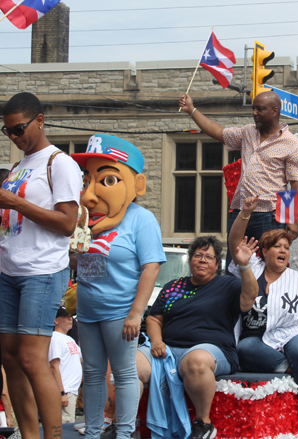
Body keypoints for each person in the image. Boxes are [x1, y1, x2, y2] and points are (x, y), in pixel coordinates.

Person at [71, 134, 166, 439]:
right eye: (88, 179)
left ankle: (124, 433)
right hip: (87, 311)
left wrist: (136, 313)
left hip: (120, 313)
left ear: (135, 184)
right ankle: (94, 430)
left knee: (124, 374)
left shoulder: (142, 219)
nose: (91, 190)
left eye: (107, 180)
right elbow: (79, 264)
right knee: (94, 373)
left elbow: (151, 266)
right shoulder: (86, 220)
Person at [0, 92, 82, 439]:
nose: (15, 137)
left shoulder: (59, 163)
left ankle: (53, 435)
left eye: (19, 129)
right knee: (9, 357)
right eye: (8, 132)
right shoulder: (19, 166)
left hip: (41, 271)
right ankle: (28, 434)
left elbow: (67, 223)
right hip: (8, 270)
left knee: (33, 358)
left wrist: (15, 202)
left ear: (40, 120)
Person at [228, 195, 298, 439]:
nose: (283, 251)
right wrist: (245, 213)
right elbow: (235, 243)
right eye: (277, 246)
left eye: (286, 248)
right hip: (259, 341)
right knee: (245, 348)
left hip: (294, 333)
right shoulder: (251, 269)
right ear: (264, 252)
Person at [136, 235, 259, 439]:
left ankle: (204, 424)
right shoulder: (172, 287)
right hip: (166, 349)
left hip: (212, 351)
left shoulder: (228, 286)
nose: (203, 260)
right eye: (198, 255)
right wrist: (156, 341)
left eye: (209, 257)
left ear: (216, 264)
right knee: (130, 365)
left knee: (195, 360)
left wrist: (244, 266)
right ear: (190, 259)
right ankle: (123, 425)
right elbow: (154, 320)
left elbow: (250, 297)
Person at [178, 91, 298, 270]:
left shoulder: (293, 144)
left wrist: (292, 220)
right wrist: (191, 110)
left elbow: (295, 185)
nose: (254, 113)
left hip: (269, 216)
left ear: (275, 111)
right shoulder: (248, 132)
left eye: (260, 109)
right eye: (253, 108)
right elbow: (218, 132)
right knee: (235, 267)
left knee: (268, 269)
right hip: (241, 213)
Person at [48, 306, 83, 423]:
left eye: (70, 316)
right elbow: (54, 367)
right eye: (65, 317)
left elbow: (82, 360)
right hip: (64, 391)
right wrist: (61, 392)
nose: (70, 319)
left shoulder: (69, 339)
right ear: (56, 321)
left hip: (71, 391)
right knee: (65, 426)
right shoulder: (54, 338)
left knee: (68, 423)